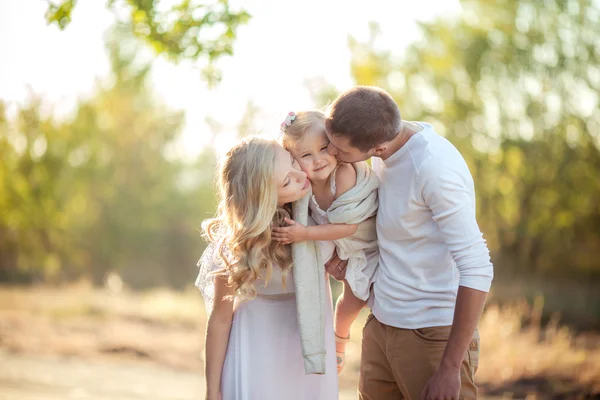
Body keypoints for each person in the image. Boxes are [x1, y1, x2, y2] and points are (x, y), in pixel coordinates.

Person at [324, 86, 494, 400]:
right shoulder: (379, 138)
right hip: (380, 325)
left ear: (378, 148)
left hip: (431, 337)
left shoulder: (433, 168)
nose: (332, 154)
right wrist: (349, 265)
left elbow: (478, 267)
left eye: (340, 150)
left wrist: (449, 368)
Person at [196, 137, 338, 400]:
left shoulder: (321, 215)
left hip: (309, 353)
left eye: (293, 162)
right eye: (286, 181)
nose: (300, 175)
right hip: (254, 351)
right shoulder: (236, 246)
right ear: (262, 199)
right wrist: (212, 390)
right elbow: (220, 318)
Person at [272, 110, 380, 374]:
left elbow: (349, 226)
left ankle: (339, 341)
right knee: (304, 271)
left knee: (351, 303)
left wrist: (304, 234)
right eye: (306, 155)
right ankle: (300, 326)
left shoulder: (342, 175)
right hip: (335, 244)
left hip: (363, 246)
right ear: (294, 162)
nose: (318, 160)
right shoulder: (303, 185)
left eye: (323, 148)